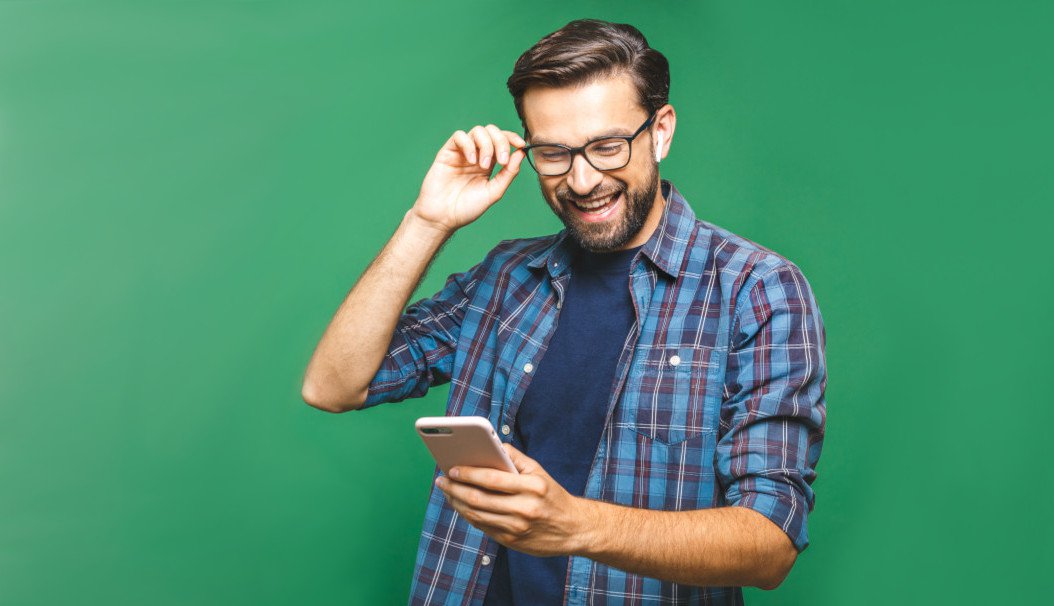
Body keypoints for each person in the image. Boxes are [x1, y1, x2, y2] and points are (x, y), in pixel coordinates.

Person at [302, 18, 826, 606]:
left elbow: (770, 542)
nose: (581, 180)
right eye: (553, 154)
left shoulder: (757, 288)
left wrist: (575, 525)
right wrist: (429, 221)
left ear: (661, 132)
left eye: (607, 146)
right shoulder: (506, 278)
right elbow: (333, 384)